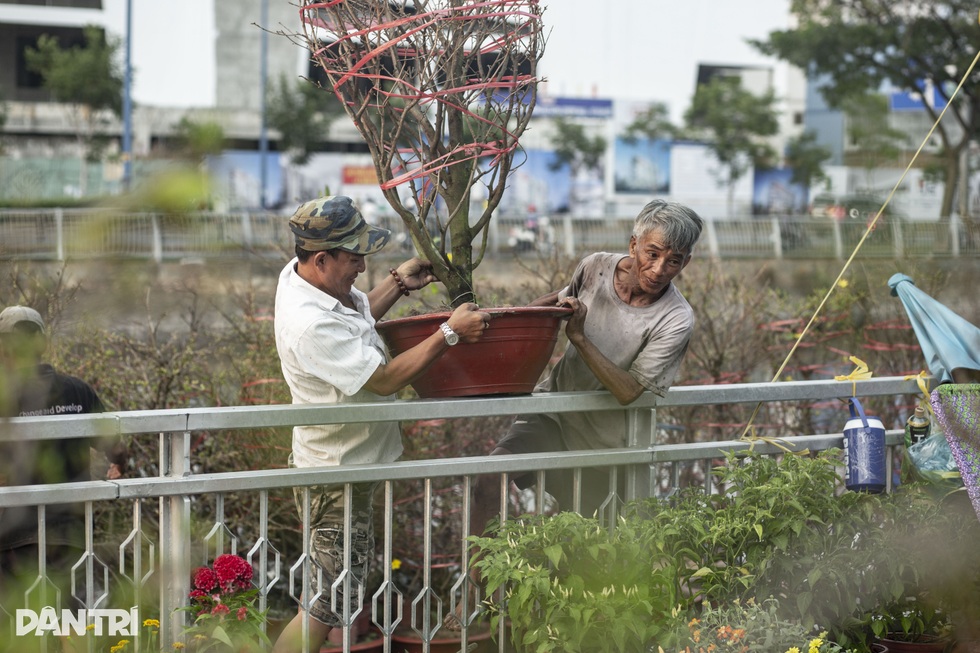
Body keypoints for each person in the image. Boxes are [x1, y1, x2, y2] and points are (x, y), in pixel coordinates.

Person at [447, 198, 704, 629]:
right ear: (634, 244)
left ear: (686, 262)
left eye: (673, 261)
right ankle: (476, 597)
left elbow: (628, 392)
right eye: (652, 254)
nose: (659, 269)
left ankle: (573, 622)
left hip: (606, 445)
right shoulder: (596, 267)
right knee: (488, 477)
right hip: (553, 414)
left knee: (593, 548)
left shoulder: (675, 318)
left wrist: (581, 339)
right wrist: (506, 319)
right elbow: (563, 302)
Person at [271, 195, 490, 653]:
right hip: (337, 477)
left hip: (352, 468)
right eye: (354, 259)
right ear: (321, 259)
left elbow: (354, 323)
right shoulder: (309, 324)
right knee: (323, 610)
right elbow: (385, 380)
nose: (361, 267)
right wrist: (448, 333)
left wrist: (397, 284)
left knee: (330, 600)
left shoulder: (308, 283)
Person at [0, 305, 123, 608]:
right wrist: (118, 466)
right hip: (71, 532)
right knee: (65, 613)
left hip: (12, 536)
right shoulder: (78, 391)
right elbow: (116, 446)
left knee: (19, 620)